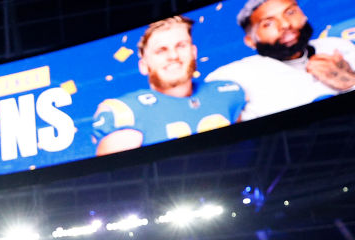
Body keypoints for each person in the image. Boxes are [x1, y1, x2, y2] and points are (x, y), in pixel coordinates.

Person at [93, 16, 244, 155]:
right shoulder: (126, 112)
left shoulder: (228, 91)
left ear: (193, 52)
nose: (173, 56)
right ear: (144, 66)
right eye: (161, 50)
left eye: (181, 46)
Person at [206, 0, 355, 121]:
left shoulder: (337, 46)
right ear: (250, 40)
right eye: (268, 23)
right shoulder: (234, 76)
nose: (285, 25)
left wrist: (349, 82)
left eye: (290, 12)